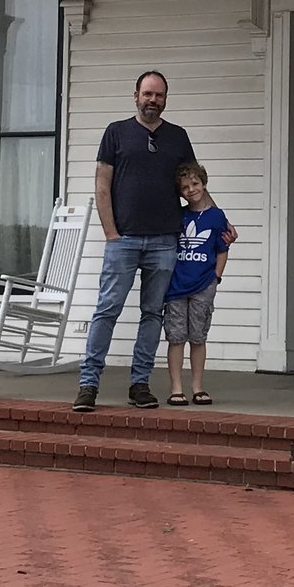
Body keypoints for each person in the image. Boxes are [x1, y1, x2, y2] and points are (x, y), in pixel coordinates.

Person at [75, 71, 195, 411]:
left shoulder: (178, 137)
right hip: (123, 240)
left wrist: (218, 219)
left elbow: (192, 186)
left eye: (158, 95)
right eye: (147, 94)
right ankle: (88, 385)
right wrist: (111, 233)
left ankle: (139, 383)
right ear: (136, 96)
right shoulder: (116, 132)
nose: (152, 100)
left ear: (166, 99)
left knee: (152, 314)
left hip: (164, 241)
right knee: (107, 310)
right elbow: (102, 185)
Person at [162, 162, 234, 406]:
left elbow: (222, 249)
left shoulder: (216, 216)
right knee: (176, 337)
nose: (191, 189)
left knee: (198, 337)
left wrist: (216, 278)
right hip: (175, 287)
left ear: (204, 184)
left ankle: (198, 387)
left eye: (195, 184)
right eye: (185, 187)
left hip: (203, 285)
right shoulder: (178, 215)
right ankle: (176, 388)